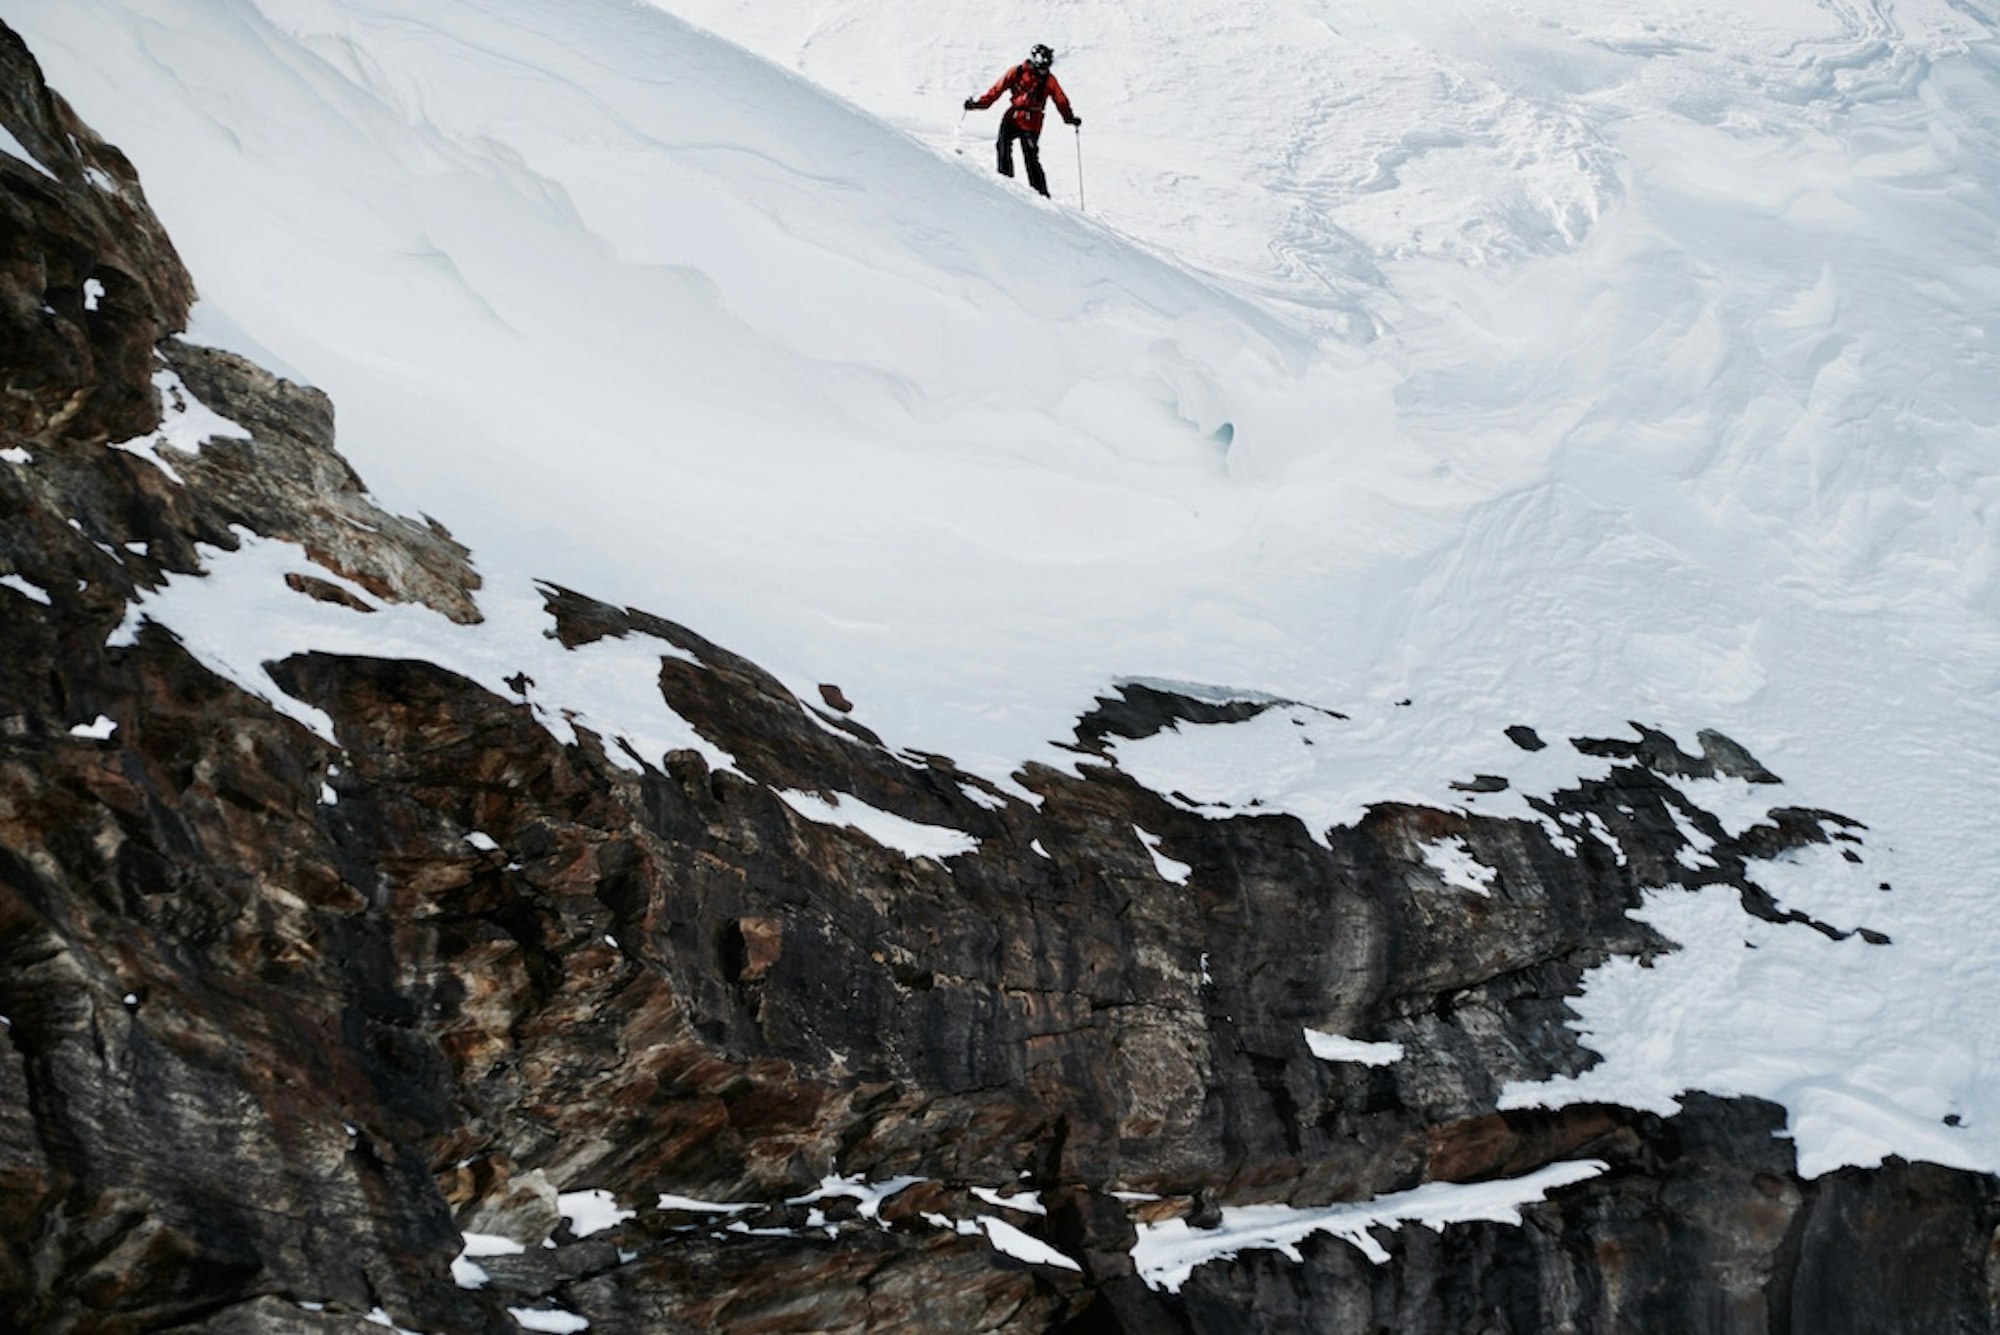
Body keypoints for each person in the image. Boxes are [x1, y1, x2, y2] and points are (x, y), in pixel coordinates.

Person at [964, 44, 1079, 198]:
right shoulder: (1017, 72)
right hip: (1013, 116)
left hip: (1032, 121)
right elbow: (996, 90)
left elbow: (1061, 100)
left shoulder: (1049, 80)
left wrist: (1069, 118)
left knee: (1030, 157)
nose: (1045, 68)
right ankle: (1006, 182)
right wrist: (978, 104)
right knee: (1002, 146)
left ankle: (1041, 194)